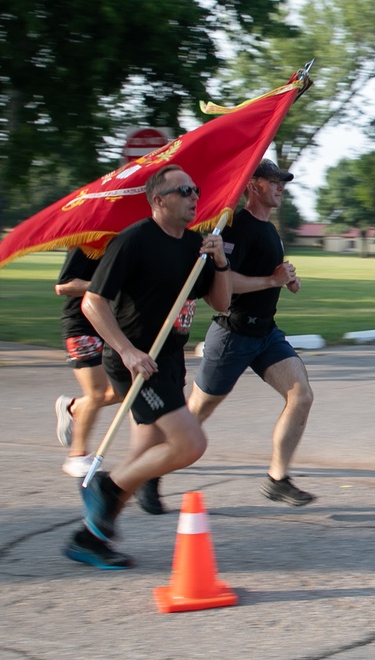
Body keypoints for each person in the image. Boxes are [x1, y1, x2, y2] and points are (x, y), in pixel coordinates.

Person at [62, 164, 232, 569]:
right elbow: (93, 302)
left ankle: (90, 538)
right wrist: (126, 352)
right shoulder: (134, 240)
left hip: (168, 361)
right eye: (184, 191)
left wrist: (221, 262)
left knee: (145, 454)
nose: (194, 197)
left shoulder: (197, 246)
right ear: (159, 200)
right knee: (190, 444)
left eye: (195, 189)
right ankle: (106, 486)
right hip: (136, 362)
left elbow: (221, 304)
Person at [135, 158, 316, 514]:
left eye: (283, 181)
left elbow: (269, 274)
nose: (281, 186)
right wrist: (270, 281)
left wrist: (285, 277)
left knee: (302, 395)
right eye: (273, 181)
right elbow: (222, 284)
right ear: (253, 185)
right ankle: (148, 475)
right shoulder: (238, 228)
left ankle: (278, 480)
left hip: (266, 333)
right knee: (193, 417)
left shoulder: (269, 229)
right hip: (233, 335)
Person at [53, 248, 121, 478]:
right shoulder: (87, 242)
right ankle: (76, 456)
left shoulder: (129, 241)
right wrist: (105, 283)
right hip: (81, 325)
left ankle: (74, 407)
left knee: (128, 388)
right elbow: (63, 286)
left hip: (111, 325)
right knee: (97, 393)